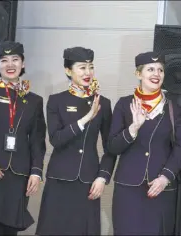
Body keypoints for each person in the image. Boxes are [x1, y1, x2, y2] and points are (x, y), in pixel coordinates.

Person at [35, 47, 115, 235]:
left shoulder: (104, 103)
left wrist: (103, 177)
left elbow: (110, 147)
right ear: (68, 71)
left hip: (88, 181)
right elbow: (56, 139)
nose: (88, 73)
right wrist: (86, 118)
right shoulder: (56, 101)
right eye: (82, 67)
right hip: (59, 179)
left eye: (91, 67)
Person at [108, 51, 181, 235]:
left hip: (160, 188)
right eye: (150, 69)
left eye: (160, 70)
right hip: (128, 190)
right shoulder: (124, 104)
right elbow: (112, 146)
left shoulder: (173, 107)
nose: (156, 74)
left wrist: (165, 177)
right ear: (138, 74)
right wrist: (133, 128)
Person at [0, 41, 46, 235]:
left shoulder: (34, 100)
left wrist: (36, 172)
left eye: (15, 59)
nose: (10, 64)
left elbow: (38, 140)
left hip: (18, 177)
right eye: (3, 60)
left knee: (10, 230)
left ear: (23, 64)